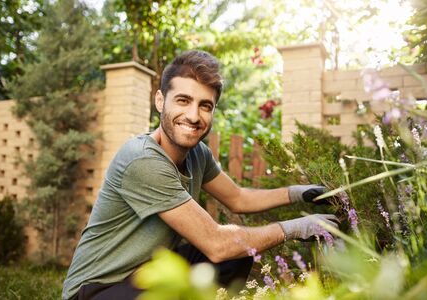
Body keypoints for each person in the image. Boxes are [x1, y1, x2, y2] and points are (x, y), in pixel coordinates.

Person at [62, 50, 338, 300]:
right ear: (160, 101)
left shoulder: (197, 154)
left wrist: (300, 193)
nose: (194, 116)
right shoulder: (142, 158)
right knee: (226, 249)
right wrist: (297, 228)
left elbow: (239, 198)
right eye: (183, 100)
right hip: (96, 290)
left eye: (205, 105)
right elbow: (216, 243)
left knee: (236, 257)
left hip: (146, 277)